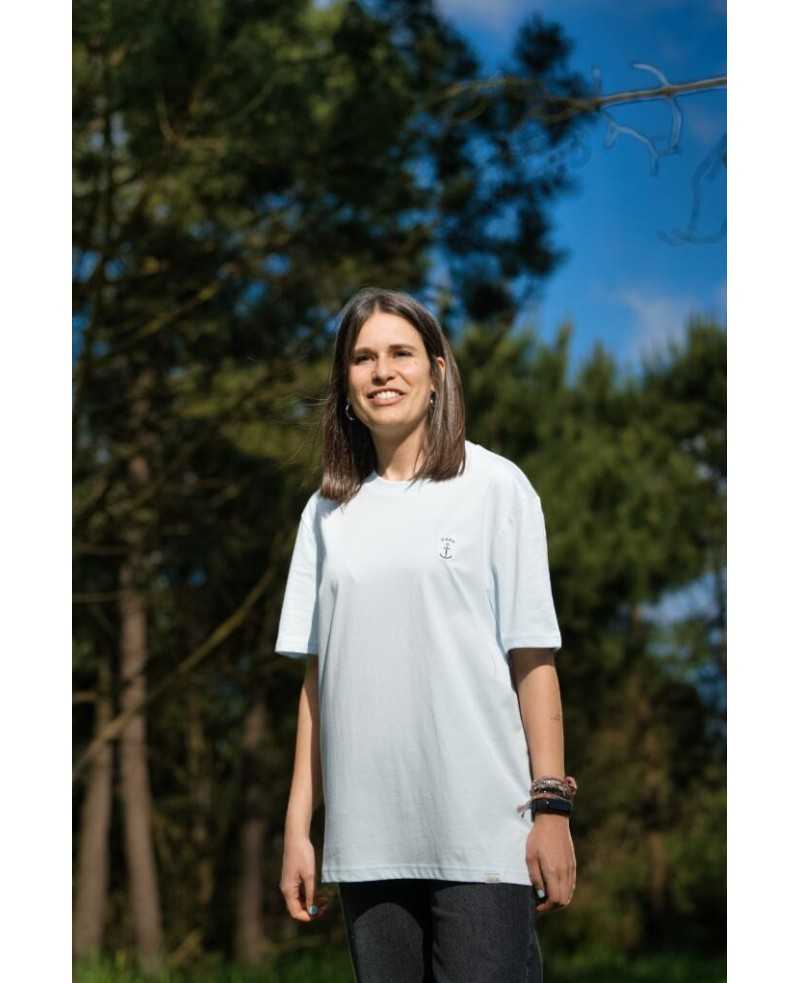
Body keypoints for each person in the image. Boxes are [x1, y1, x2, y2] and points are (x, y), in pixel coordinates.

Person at [276, 287, 577, 983]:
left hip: (484, 836)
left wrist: (552, 808)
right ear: (345, 383)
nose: (382, 371)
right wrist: (298, 827)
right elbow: (318, 686)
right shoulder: (325, 513)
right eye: (363, 358)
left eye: (401, 353)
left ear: (437, 371)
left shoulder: (496, 487)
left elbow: (533, 659)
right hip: (366, 843)